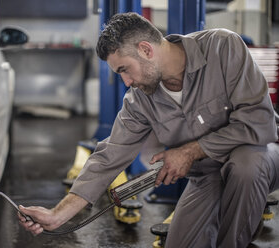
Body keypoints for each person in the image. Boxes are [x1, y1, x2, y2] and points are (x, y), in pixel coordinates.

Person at [18, 12, 279, 247]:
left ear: (146, 49)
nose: (127, 82)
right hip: (208, 176)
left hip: (260, 158)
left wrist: (189, 152)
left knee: (246, 166)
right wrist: (57, 215)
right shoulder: (139, 100)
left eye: (125, 70)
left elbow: (258, 122)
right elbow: (109, 157)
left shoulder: (223, 47)